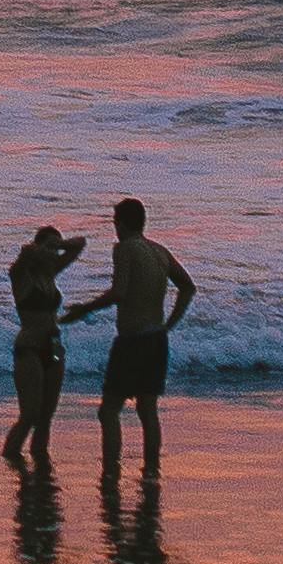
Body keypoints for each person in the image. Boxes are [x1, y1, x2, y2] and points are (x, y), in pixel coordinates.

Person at [90, 195, 196, 458]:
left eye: (115, 222)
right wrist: (169, 324)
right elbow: (188, 287)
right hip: (156, 339)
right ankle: (151, 470)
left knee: (109, 410)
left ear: (122, 224)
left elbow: (119, 293)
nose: (115, 228)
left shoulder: (124, 248)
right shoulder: (159, 251)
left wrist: (84, 308)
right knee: (147, 411)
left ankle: (110, 471)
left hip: (132, 341)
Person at [0, 222, 93, 466]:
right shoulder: (22, 275)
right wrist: (45, 247)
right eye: (49, 249)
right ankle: (11, 462)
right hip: (29, 349)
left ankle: (40, 463)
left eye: (56, 250)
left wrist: (55, 247)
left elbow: (80, 243)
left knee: (47, 416)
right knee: (29, 415)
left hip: (54, 350)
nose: (54, 255)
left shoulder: (51, 273)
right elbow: (25, 252)